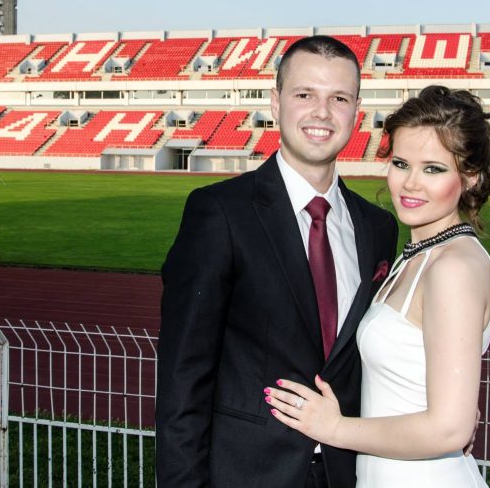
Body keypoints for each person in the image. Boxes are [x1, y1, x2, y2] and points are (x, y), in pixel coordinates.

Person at [156, 36, 399, 488]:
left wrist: (441, 415)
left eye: (339, 98)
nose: (322, 113)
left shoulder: (378, 227)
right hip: (246, 474)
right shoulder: (220, 213)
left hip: (349, 474)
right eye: (305, 94)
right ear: (276, 101)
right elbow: (183, 375)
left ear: (357, 112)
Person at [267, 85, 490, 486]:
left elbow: (450, 429)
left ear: (470, 178)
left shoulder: (454, 267)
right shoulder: (417, 255)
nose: (411, 183)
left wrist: (334, 428)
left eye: (433, 169)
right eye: (401, 163)